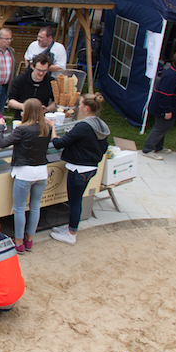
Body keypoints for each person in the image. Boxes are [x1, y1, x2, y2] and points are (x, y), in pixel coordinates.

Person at [49, 93, 110, 245]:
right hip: (90, 168)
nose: (79, 107)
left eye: (81, 104)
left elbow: (58, 143)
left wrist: (52, 127)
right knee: (77, 201)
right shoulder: (100, 125)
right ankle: (71, 227)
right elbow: (103, 147)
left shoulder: (83, 126)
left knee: (74, 202)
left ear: (87, 108)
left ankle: (71, 234)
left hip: (78, 170)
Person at [0, 98, 51, 253]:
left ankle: (18, 241)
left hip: (25, 173)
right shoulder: (47, 128)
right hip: (41, 172)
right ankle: (30, 240)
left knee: (19, 208)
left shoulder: (22, 129)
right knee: (35, 206)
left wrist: (0, 127)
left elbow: (1, 143)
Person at [142, 52, 176, 160]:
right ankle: (148, 149)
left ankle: (158, 146)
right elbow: (165, 95)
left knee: (165, 126)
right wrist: (167, 110)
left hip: (169, 107)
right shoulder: (172, 75)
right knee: (160, 127)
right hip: (163, 108)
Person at [7, 53, 55, 120]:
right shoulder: (20, 80)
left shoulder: (51, 82)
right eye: (39, 70)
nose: (41, 73)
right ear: (32, 67)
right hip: (21, 117)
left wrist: (47, 109)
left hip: (41, 117)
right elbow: (11, 101)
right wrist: (26, 107)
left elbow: (56, 101)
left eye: (44, 71)